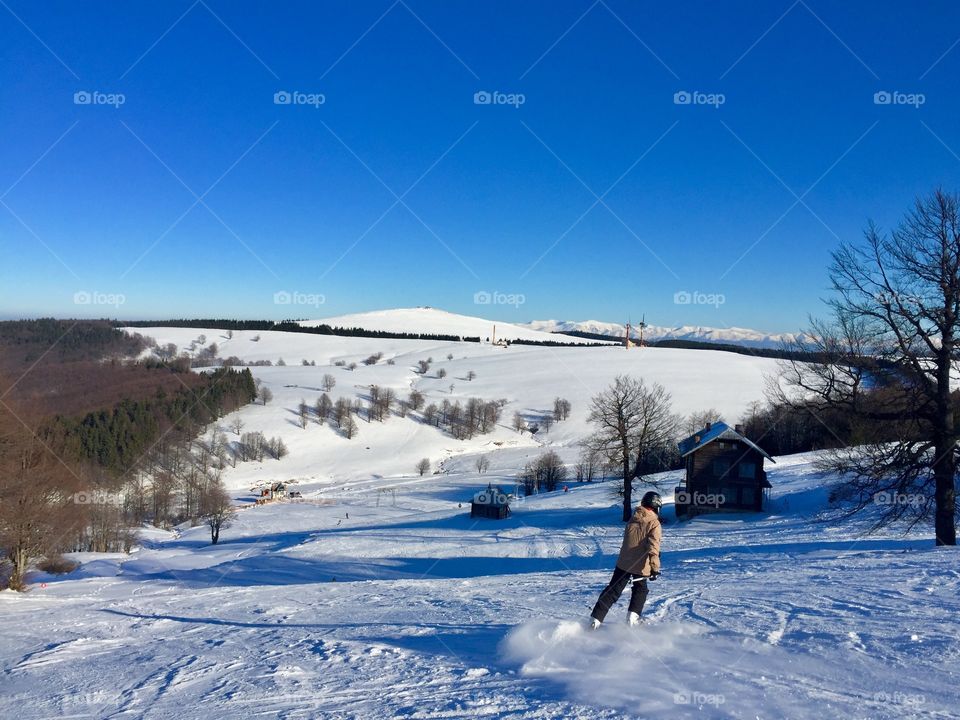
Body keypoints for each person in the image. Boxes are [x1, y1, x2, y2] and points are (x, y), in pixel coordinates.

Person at [590, 491, 662, 629]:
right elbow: (653, 547)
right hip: (640, 564)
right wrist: (655, 568)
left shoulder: (633, 518)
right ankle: (632, 619)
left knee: (613, 590)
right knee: (640, 590)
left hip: (623, 562)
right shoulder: (654, 523)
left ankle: (595, 619)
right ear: (657, 506)